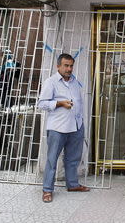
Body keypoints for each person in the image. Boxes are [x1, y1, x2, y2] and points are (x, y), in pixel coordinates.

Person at [38, 53, 90, 203]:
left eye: (71, 66)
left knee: (73, 158)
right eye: (66, 66)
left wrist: (80, 121)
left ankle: (72, 184)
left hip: (76, 126)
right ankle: (47, 190)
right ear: (58, 66)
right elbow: (41, 103)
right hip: (57, 128)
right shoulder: (51, 82)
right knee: (52, 160)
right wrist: (60, 103)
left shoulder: (74, 82)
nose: (69, 69)